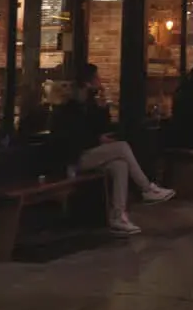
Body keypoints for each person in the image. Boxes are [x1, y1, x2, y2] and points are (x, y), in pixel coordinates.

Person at [51, 65, 174, 235]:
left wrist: (102, 109)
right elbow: (71, 139)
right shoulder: (69, 107)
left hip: (90, 153)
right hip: (73, 159)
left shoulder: (89, 104)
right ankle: (146, 188)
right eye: (97, 79)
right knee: (122, 147)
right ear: (88, 83)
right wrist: (97, 139)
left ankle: (118, 217)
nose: (100, 83)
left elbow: (101, 128)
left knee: (120, 165)